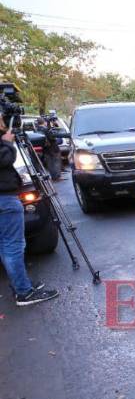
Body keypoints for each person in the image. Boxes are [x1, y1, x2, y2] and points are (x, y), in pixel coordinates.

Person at [0, 117, 59, 306]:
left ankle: (20, 285)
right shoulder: (4, 143)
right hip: (5, 199)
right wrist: (8, 143)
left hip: (5, 199)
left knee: (6, 245)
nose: (3, 121)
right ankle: (24, 292)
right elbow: (4, 159)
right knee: (13, 246)